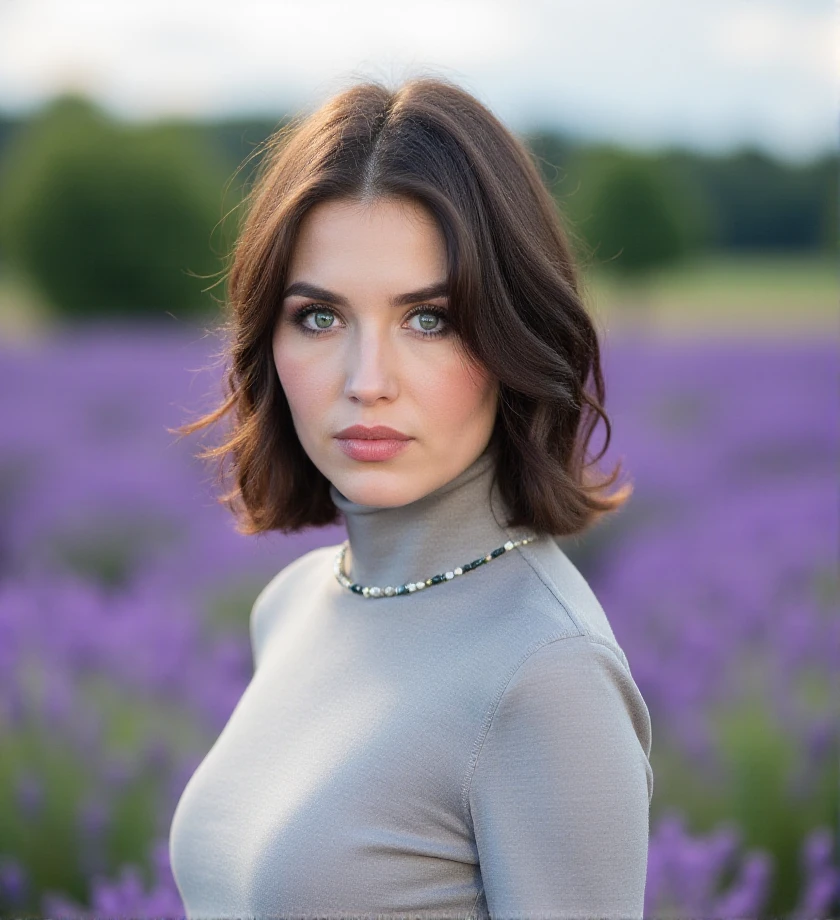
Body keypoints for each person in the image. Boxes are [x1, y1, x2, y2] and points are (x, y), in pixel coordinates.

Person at [168, 74, 653, 920]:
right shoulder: (293, 604)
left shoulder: (549, 677)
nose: (366, 382)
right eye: (319, 317)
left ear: (514, 333)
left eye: (430, 319)